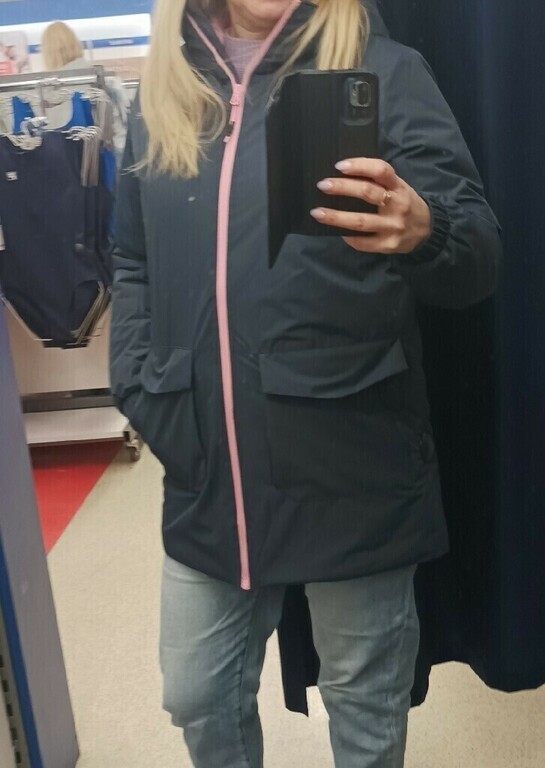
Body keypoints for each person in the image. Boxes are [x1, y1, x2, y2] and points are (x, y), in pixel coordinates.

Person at [110, 1, 502, 766]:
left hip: (351, 462)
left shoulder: (382, 70)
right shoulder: (165, 97)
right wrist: (141, 387)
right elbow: (132, 258)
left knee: (364, 705)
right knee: (195, 693)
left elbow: (480, 253)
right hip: (206, 472)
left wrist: (425, 230)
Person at [40, 21, 129, 163]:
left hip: (73, 166)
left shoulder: (47, 94)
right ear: (76, 44)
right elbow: (124, 123)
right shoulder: (107, 80)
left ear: (47, 53)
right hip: (112, 159)